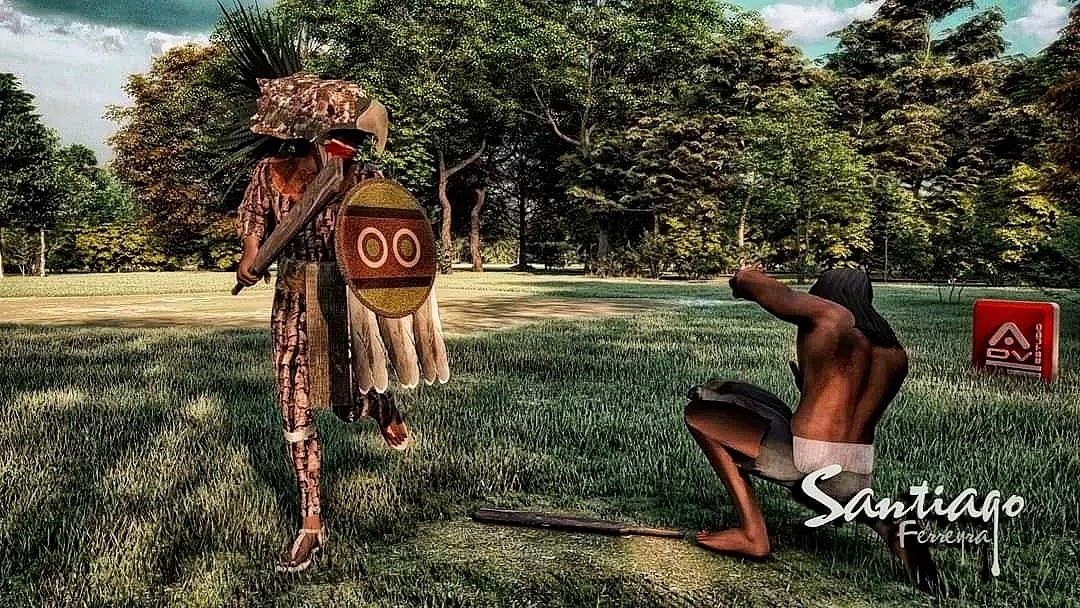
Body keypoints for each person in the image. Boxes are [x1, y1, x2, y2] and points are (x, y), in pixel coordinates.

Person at [684, 268, 941, 592]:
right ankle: (893, 528)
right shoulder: (894, 353)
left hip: (807, 461)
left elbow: (762, 287)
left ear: (827, 292)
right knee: (735, 394)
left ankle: (752, 534)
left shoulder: (832, 317)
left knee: (699, 414)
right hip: (856, 471)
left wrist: (741, 277)